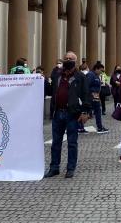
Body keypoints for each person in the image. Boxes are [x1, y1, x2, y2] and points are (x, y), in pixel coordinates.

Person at [45, 51, 91, 179]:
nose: (67, 60)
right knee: (56, 143)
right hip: (58, 112)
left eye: (70, 58)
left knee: (72, 143)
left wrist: (85, 111)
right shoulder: (57, 74)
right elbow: (50, 90)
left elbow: (86, 94)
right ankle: (54, 167)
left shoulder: (80, 76)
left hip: (72, 114)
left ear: (75, 61)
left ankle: (70, 168)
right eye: (66, 58)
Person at [86, 62, 109, 134]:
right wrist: (90, 94)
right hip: (91, 96)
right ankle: (99, 127)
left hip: (95, 96)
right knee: (95, 111)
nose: (102, 72)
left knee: (95, 111)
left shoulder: (95, 75)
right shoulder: (91, 75)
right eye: (101, 71)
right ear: (96, 69)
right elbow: (87, 86)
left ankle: (99, 127)